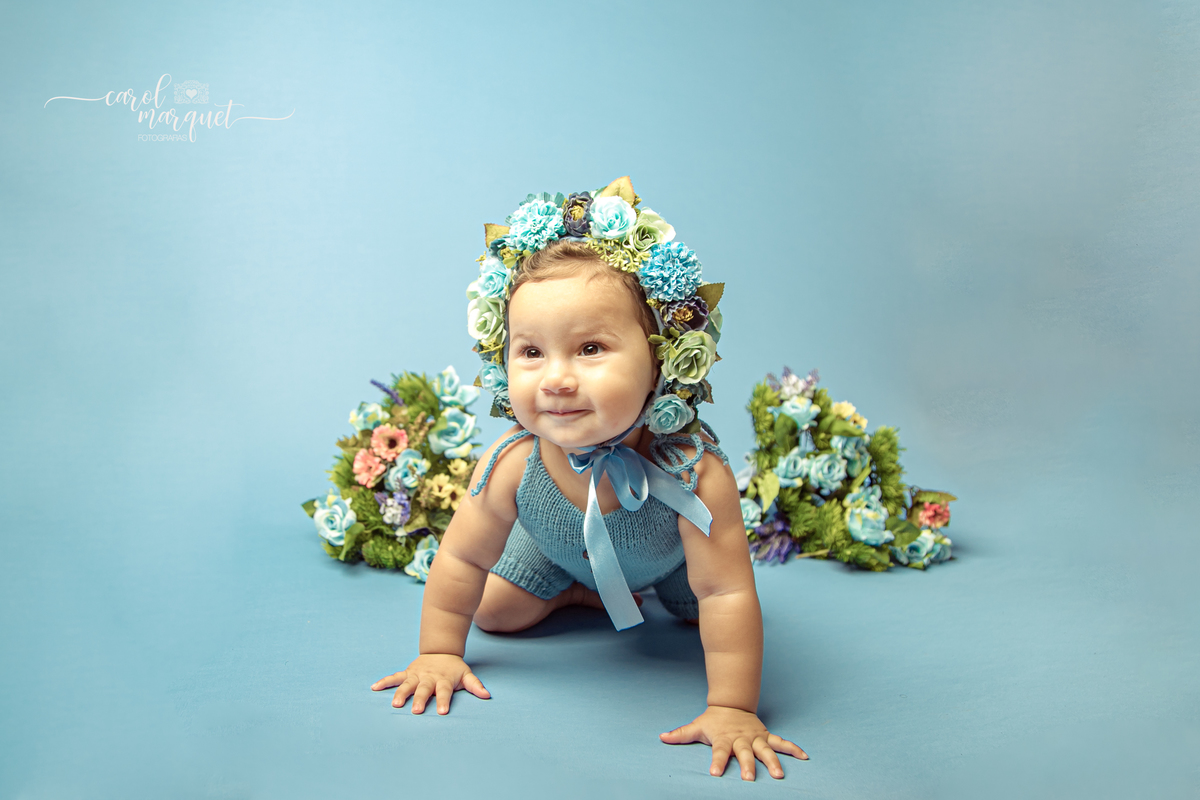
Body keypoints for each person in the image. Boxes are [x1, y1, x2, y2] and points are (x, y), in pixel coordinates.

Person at [371, 179, 808, 781]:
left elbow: (726, 593)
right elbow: (462, 558)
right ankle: (579, 592)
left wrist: (732, 708)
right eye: (531, 352)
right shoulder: (514, 461)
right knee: (494, 611)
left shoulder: (693, 472)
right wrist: (439, 653)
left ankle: (631, 594)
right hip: (555, 553)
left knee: (699, 615)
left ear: (660, 361)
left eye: (591, 348)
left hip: (670, 565)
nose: (556, 379)